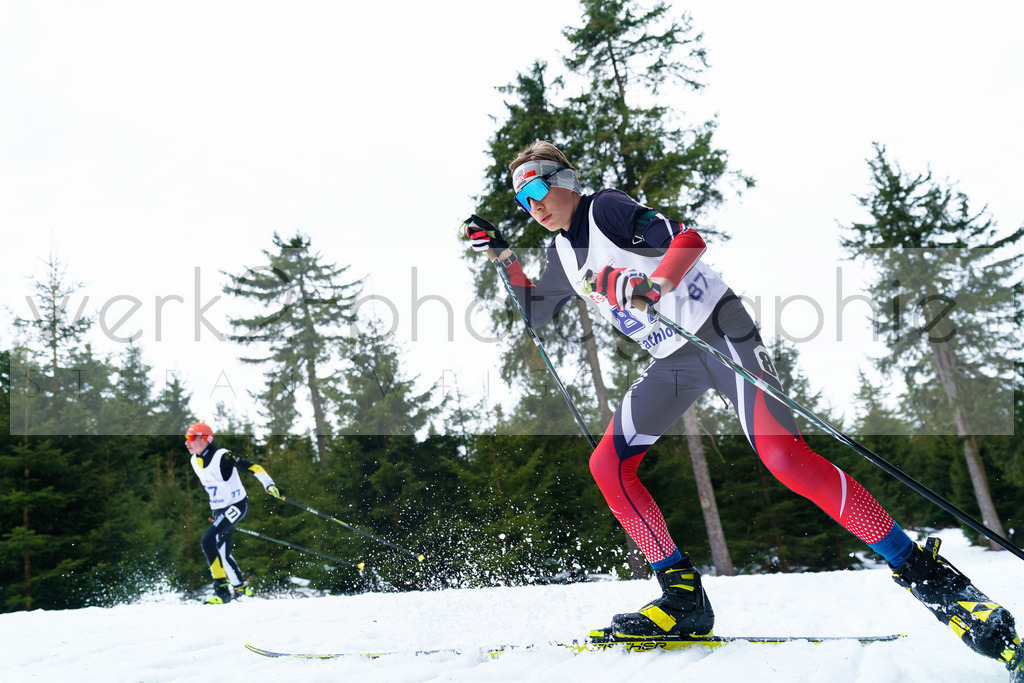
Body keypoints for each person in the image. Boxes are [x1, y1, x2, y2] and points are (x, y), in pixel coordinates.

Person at [462, 140, 1022, 671]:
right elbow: (537, 312)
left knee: (785, 459)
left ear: (565, 182)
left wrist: (651, 288)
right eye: (521, 201)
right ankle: (681, 598)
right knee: (608, 465)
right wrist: (505, 256)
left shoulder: (604, 209)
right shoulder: (561, 251)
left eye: (537, 192)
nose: (532, 207)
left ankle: (929, 576)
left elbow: (687, 240)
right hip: (674, 361)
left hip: (721, 331)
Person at [185, 421, 284, 604]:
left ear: (206, 439)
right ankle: (241, 589)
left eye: (192, 438)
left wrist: (268, 484)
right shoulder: (194, 460)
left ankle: (221, 591)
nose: (187, 442)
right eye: (186, 438)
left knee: (207, 541)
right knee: (222, 552)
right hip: (219, 509)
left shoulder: (222, 456)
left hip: (237, 506)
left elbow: (253, 467)